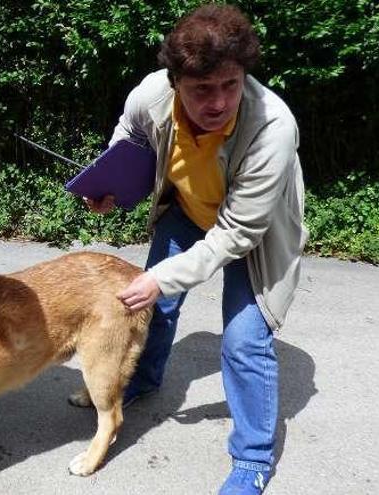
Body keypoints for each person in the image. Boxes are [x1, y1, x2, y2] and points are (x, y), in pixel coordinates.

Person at [83, 4, 307, 494]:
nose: (219, 101)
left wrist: (161, 276)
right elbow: (130, 135)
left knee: (245, 343)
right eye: (202, 89)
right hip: (187, 208)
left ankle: (251, 460)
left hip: (256, 235)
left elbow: (237, 234)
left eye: (230, 85)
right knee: (155, 307)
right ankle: (140, 379)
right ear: (175, 81)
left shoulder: (273, 126)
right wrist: (112, 184)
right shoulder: (151, 94)